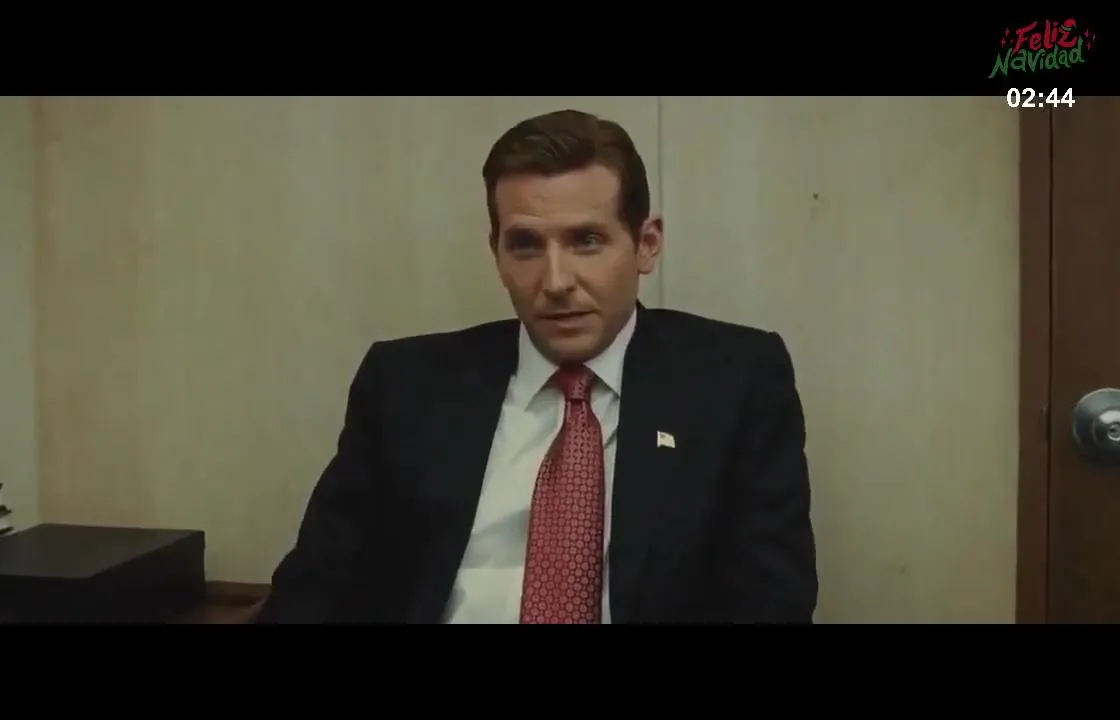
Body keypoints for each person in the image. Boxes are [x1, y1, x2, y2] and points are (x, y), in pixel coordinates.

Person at [258, 109, 818, 624]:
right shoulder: (406, 385)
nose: (555, 281)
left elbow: (770, 605)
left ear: (646, 244)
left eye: (586, 241)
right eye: (526, 245)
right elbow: (315, 590)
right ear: (497, 252)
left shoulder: (734, 382)